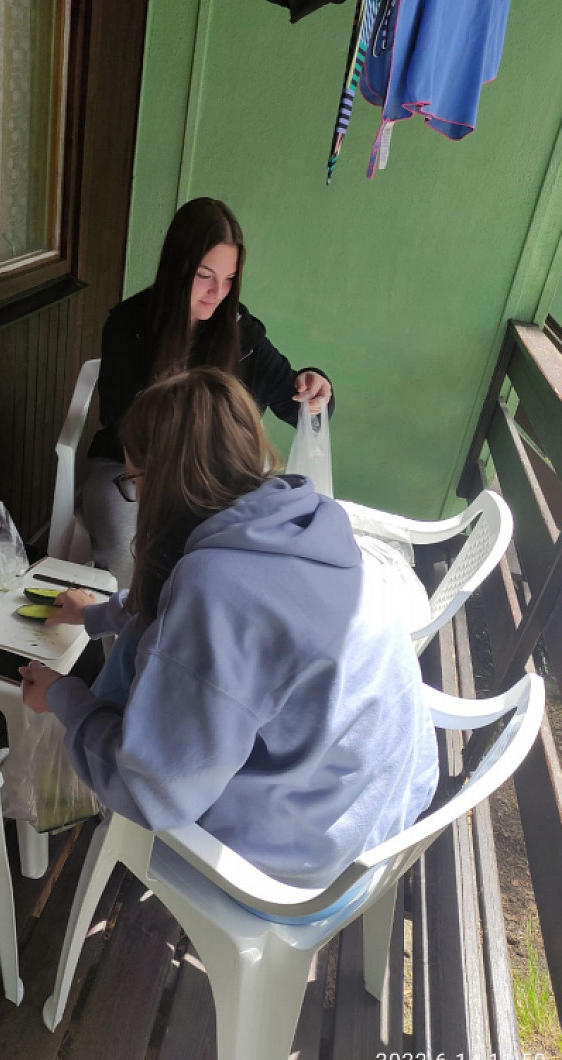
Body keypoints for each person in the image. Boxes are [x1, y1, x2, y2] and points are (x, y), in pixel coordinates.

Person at [22, 369, 437, 890]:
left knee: (128, 706)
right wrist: (98, 613)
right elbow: (210, 616)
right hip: (384, 801)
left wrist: (65, 698)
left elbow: (153, 791)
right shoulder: (303, 518)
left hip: (304, 859)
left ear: (163, 482)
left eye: (133, 481)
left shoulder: (214, 586)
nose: (136, 497)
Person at [82, 196, 334, 588]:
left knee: (234, 560)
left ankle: (193, 623)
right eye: (205, 275)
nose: (218, 292)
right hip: (132, 471)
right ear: (177, 268)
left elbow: (295, 401)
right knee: (127, 549)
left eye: (229, 278)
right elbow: (122, 422)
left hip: (214, 479)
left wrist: (315, 385)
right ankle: (132, 625)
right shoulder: (129, 325)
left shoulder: (241, 332)